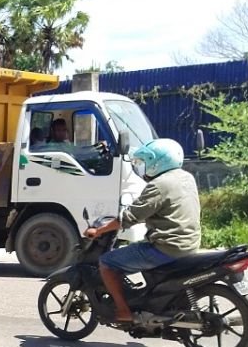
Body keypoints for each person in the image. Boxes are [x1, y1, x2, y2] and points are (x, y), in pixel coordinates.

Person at [85, 138, 201, 324]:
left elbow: (131, 217)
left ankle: (124, 311)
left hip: (166, 248)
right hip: (189, 243)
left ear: (157, 162)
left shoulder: (160, 185)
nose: (143, 166)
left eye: (145, 161)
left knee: (107, 262)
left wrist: (99, 230)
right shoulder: (186, 177)